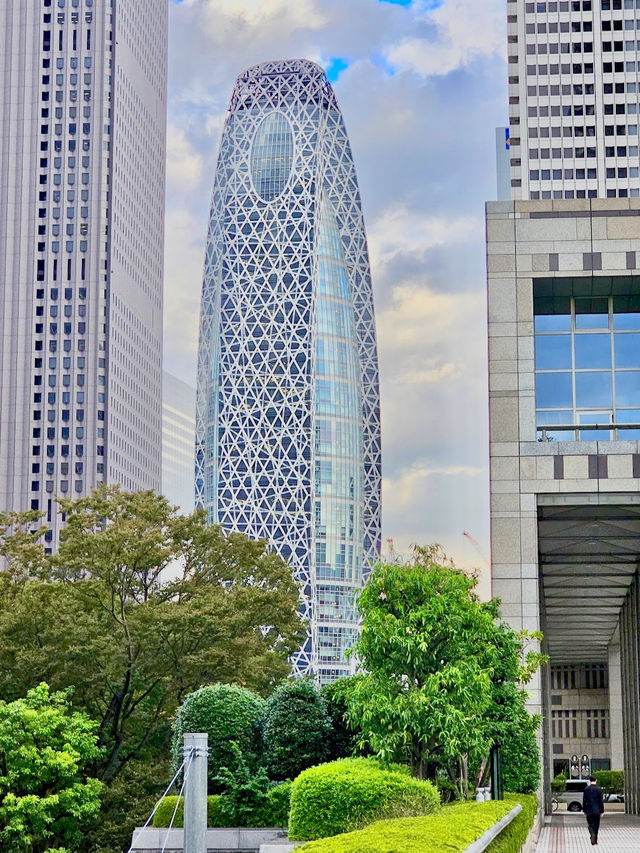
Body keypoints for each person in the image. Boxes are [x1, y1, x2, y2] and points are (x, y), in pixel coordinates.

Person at [582, 775, 605, 846]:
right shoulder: (599, 789)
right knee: (596, 825)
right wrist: (602, 811)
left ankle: (592, 833)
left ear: (589, 781)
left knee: (590, 824)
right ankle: (595, 841)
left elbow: (584, 800)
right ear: (596, 780)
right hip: (597, 810)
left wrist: (584, 810)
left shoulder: (586, 789)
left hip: (589, 810)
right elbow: (601, 801)